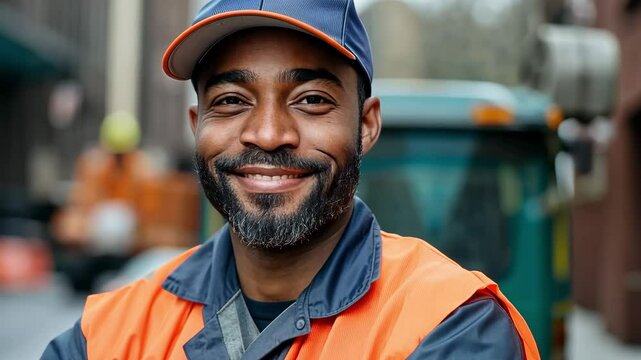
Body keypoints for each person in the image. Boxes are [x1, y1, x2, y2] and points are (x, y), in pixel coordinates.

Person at [43, 0, 540, 359]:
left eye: (311, 100)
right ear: (197, 125)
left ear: (365, 125)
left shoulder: (451, 327)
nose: (268, 134)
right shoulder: (107, 336)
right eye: (232, 101)